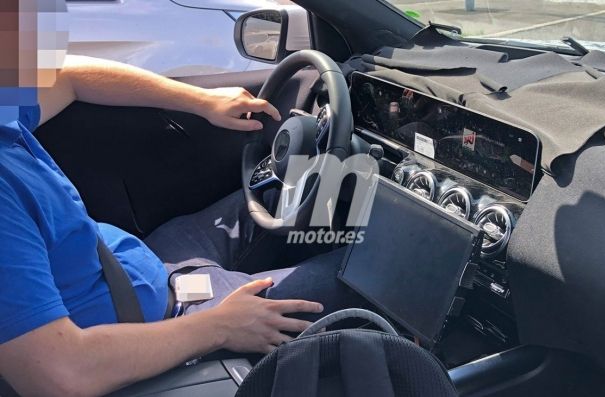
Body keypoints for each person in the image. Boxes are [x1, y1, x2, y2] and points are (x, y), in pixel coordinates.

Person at [0, 50, 364, 396]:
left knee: (289, 193)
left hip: (148, 268)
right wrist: (220, 328)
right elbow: (59, 372)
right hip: (163, 333)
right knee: (373, 280)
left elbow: (68, 75)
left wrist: (201, 101)